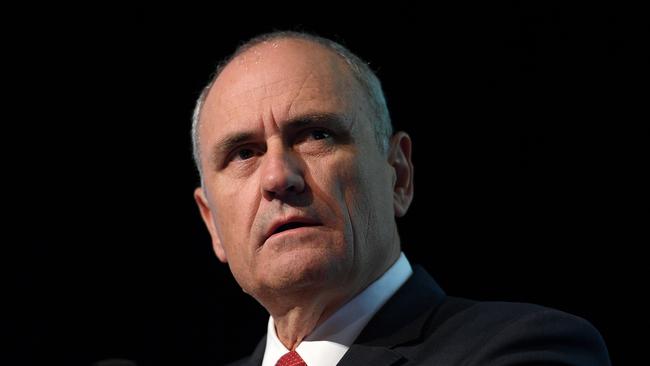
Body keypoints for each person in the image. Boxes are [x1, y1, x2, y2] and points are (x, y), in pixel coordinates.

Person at [191, 31, 611, 366]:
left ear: (399, 176)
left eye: (316, 135)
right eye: (243, 153)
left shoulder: (527, 348)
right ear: (212, 223)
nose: (279, 177)